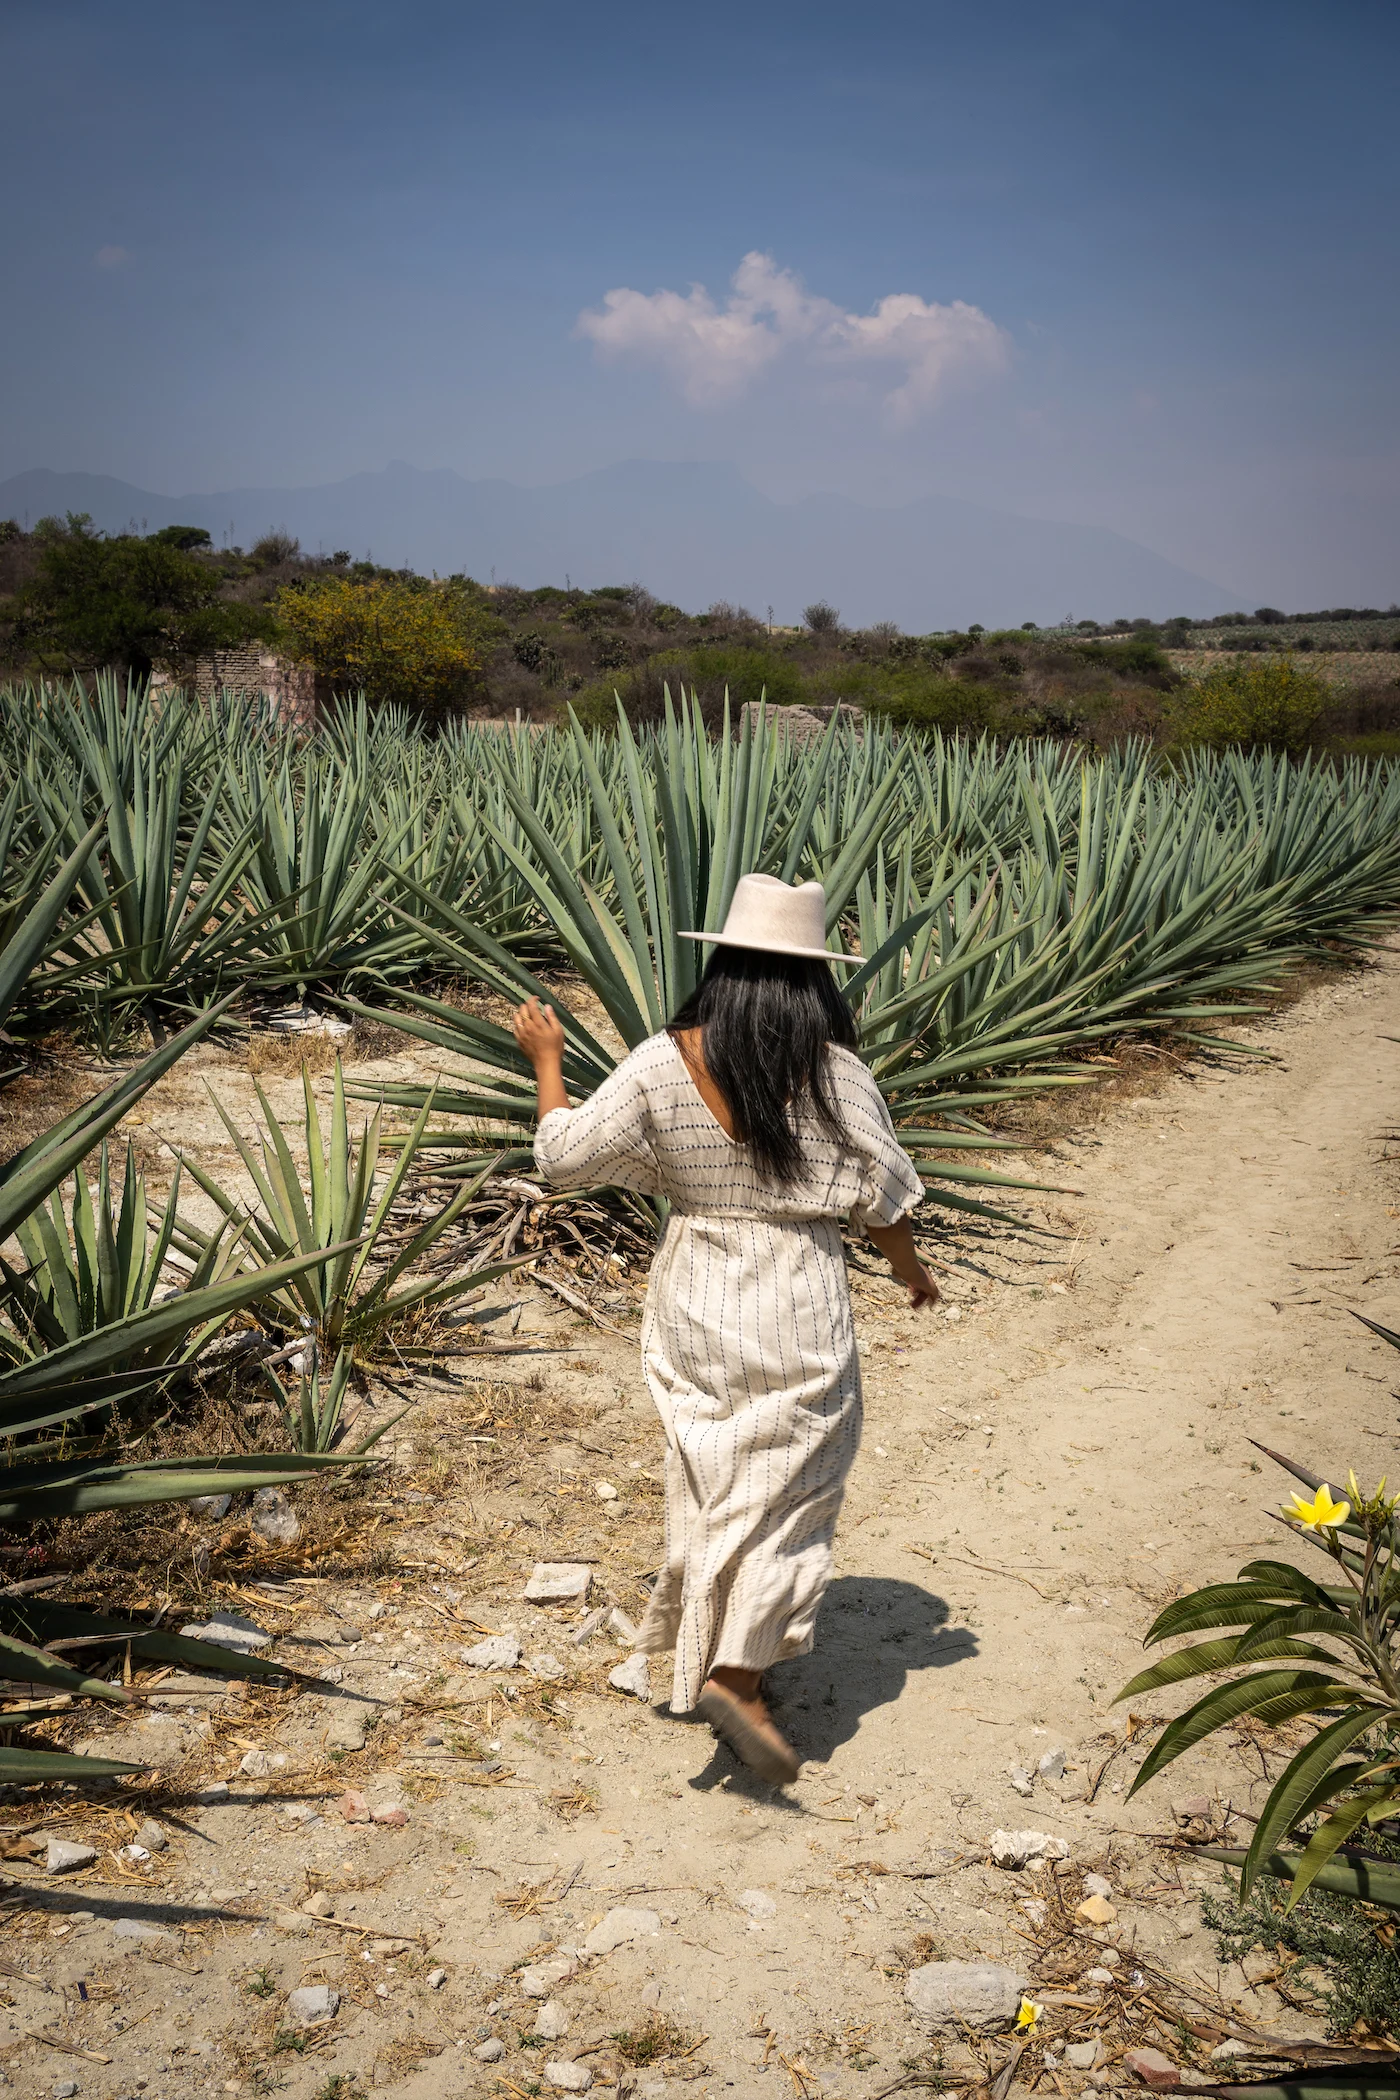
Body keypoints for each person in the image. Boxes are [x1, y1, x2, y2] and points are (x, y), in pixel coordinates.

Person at [511, 872, 939, 1785]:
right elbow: (884, 1195)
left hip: (697, 1287)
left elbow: (564, 1157)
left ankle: (702, 1645)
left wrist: (546, 1059)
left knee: (715, 1469)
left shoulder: (663, 1059)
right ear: (816, 980)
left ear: (723, 965)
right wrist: (911, 1273)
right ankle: (735, 1675)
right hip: (796, 1289)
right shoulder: (835, 1072)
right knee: (797, 1484)